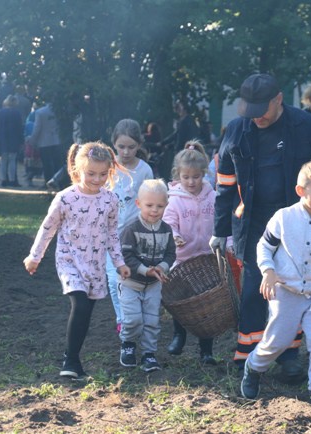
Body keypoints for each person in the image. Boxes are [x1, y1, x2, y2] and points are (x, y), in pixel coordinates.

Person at [210, 73, 311, 382]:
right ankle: (247, 356)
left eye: (262, 109)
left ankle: (288, 356)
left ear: (278, 100)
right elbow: (224, 184)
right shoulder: (237, 130)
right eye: (250, 109)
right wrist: (219, 230)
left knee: (291, 291)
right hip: (251, 224)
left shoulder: (306, 126)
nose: (256, 117)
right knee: (253, 291)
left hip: (296, 225)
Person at [240, 161, 311, 411]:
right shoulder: (284, 218)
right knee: (278, 340)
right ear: (301, 191)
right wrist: (268, 271)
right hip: (286, 291)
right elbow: (263, 247)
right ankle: (254, 367)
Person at [24, 142, 131, 379]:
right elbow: (47, 228)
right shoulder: (66, 198)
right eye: (91, 173)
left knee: (86, 313)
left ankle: (74, 361)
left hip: (95, 265)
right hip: (69, 261)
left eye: (103, 174)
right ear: (77, 170)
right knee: (80, 304)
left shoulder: (110, 200)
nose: (97, 179)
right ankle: (70, 361)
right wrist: (35, 256)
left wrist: (120, 263)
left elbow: (113, 234)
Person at [162, 141, 218, 365]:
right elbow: (168, 222)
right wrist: (174, 235)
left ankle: (207, 350)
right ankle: (179, 335)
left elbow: (221, 223)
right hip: (182, 259)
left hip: (206, 258)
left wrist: (225, 242)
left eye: (196, 177)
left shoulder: (211, 196)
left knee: (208, 303)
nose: (191, 182)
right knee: (181, 300)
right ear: (178, 175)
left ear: (203, 174)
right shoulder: (174, 199)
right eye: (186, 177)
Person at [118, 179, 176, 372]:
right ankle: (128, 343)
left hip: (153, 285)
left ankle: (148, 354)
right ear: (138, 204)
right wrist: (145, 270)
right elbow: (126, 256)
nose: (154, 210)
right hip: (131, 283)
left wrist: (161, 267)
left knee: (152, 320)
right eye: (149, 205)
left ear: (166, 205)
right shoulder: (131, 229)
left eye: (160, 206)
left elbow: (170, 253)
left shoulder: (166, 230)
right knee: (133, 319)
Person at [106, 119, 154, 334]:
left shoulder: (144, 170)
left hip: (136, 236)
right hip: (109, 236)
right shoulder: (108, 168)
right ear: (114, 144)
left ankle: (139, 318)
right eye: (121, 147)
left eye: (131, 147)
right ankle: (123, 320)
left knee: (136, 280)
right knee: (114, 281)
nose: (126, 152)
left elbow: (150, 200)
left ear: (139, 145)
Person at [28, 101, 62, 185]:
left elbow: (37, 128)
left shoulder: (40, 112)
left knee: (47, 164)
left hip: (44, 141)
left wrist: (32, 140)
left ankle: (48, 182)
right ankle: (57, 181)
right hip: (56, 140)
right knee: (56, 162)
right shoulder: (58, 111)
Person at [0, 95, 24, 187]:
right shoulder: (17, 113)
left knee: (4, 160)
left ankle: (3, 179)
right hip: (14, 139)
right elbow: (19, 128)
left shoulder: (1, 112)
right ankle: (12, 179)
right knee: (12, 160)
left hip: (3, 138)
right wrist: (21, 140)